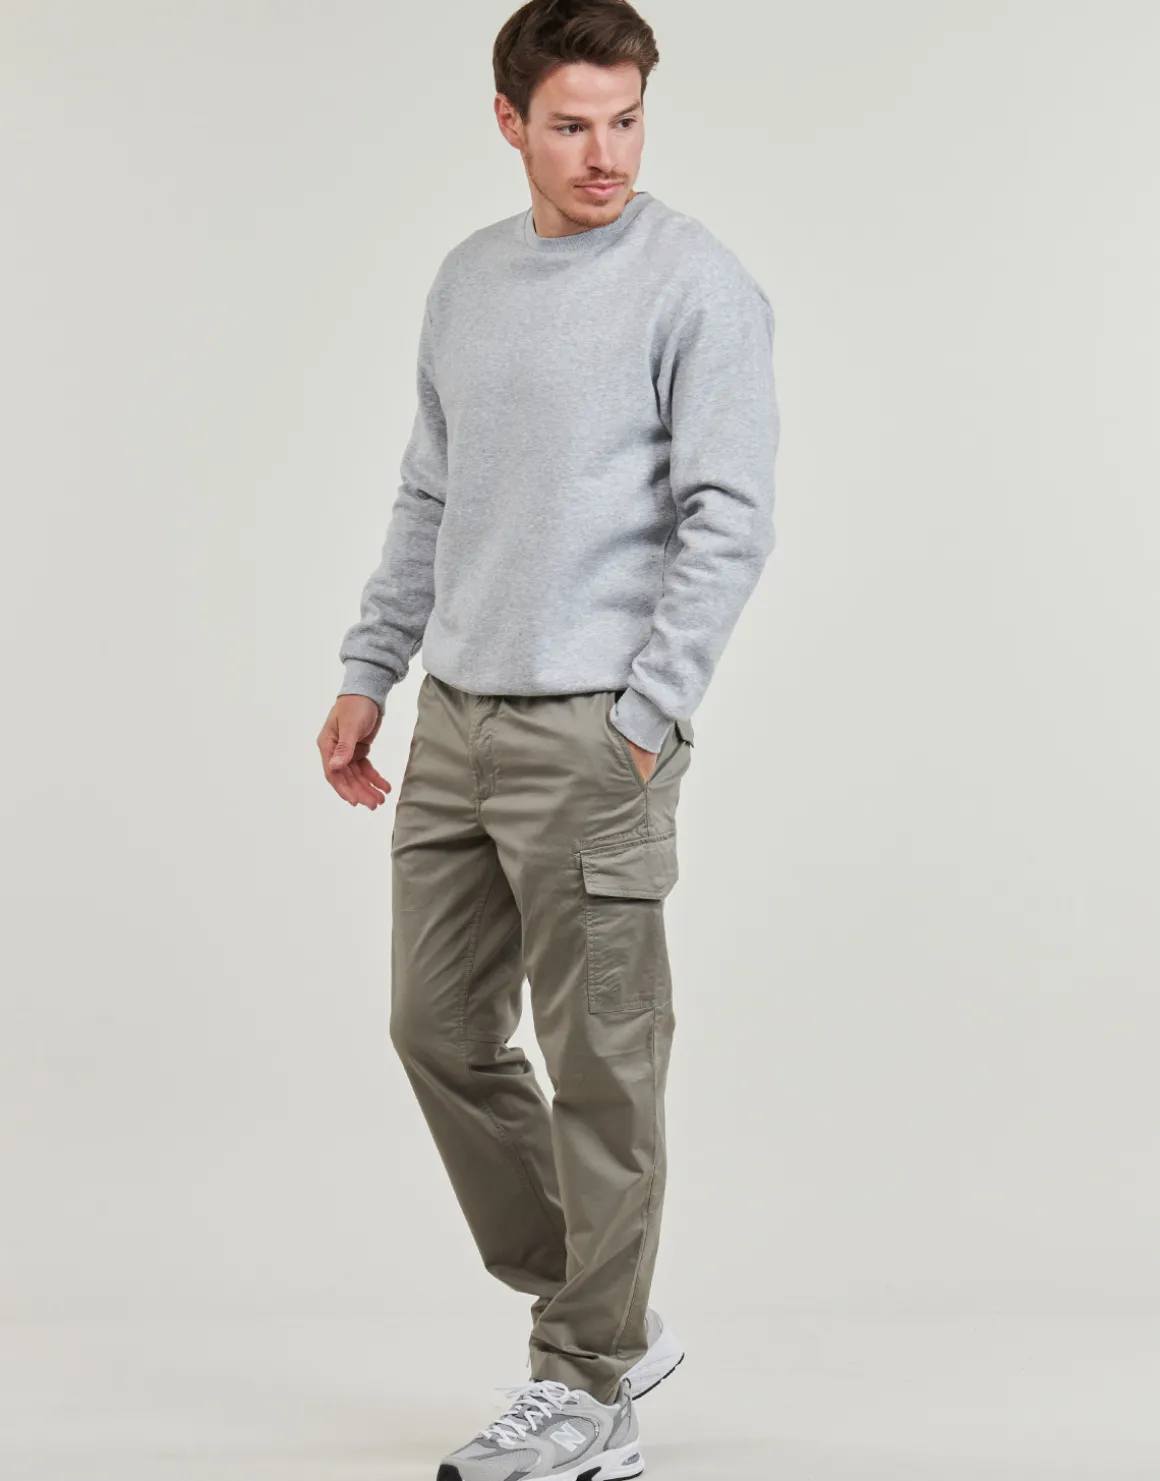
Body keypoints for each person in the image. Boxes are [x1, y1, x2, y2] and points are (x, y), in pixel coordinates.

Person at [317, 2, 779, 1475]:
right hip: (454, 717)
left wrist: (645, 716)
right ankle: (610, 1312)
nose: (606, 155)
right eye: (572, 124)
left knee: (602, 1067)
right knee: (439, 1030)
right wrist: (372, 668)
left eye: (626, 120)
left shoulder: (696, 283)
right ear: (511, 121)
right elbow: (430, 492)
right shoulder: (470, 280)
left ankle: (587, 1387)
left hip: (595, 730)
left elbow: (730, 516)